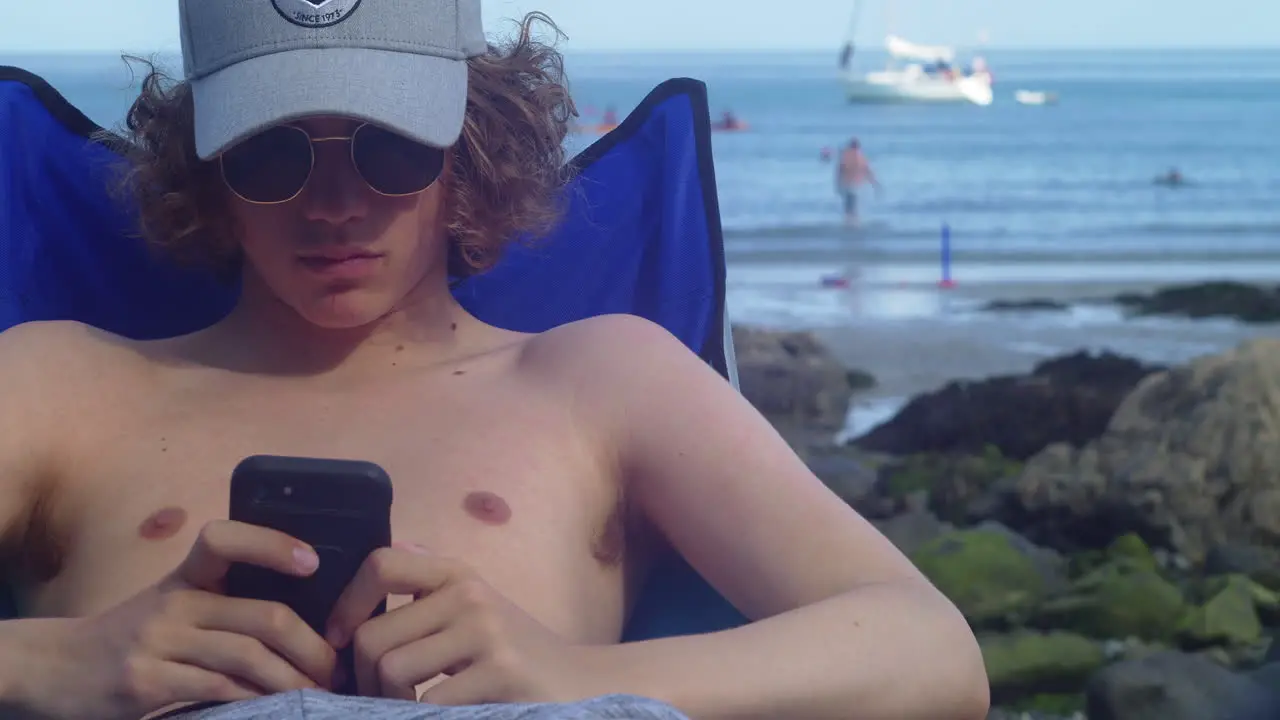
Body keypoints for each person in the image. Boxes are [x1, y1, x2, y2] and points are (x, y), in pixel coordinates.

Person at [0, 2, 988, 720]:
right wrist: (49, 661)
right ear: (207, 170)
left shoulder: (598, 380)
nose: (335, 202)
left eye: (390, 148)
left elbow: (928, 651)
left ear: (470, 148)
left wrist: (572, 679)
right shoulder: (64, 384)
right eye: (272, 155)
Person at [836, 138, 881, 227]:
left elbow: (840, 171)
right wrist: (874, 183)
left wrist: (838, 184)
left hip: (847, 185)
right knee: (852, 206)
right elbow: (867, 171)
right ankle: (853, 223)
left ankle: (850, 224)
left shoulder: (846, 156)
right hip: (855, 186)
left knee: (849, 207)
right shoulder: (860, 157)